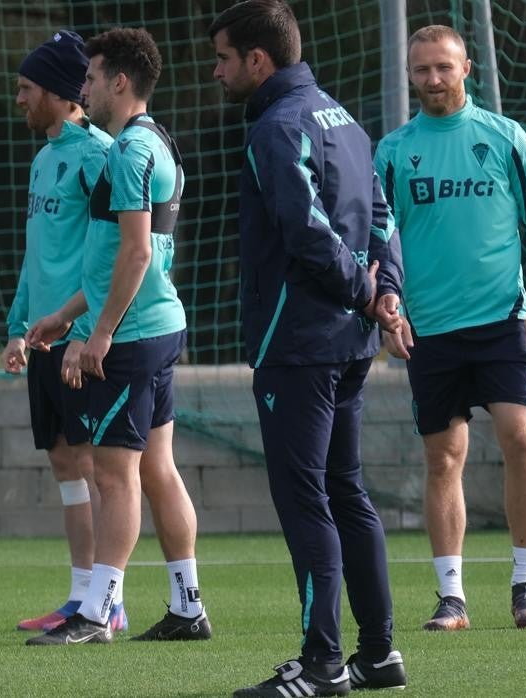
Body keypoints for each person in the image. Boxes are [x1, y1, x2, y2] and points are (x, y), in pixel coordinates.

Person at [208, 1, 407, 694]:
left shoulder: (277, 125)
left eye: (225, 59)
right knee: (346, 491)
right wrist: (387, 298)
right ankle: (379, 654)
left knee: (307, 500)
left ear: (258, 61)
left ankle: (323, 663)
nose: (218, 71)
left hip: (299, 343)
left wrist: (362, 289)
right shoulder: (342, 117)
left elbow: (306, 229)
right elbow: (383, 216)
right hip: (348, 344)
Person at [23, 26, 213, 647]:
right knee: (158, 469)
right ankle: (188, 605)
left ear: (119, 81)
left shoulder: (129, 151)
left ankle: (96, 611)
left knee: (114, 476)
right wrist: (61, 317)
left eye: (93, 76)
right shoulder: (157, 141)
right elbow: (117, 258)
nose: (86, 87)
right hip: (161, 323)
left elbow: (133, 256)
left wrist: (97, 334)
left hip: (131, 334)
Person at [375, 24, 526, 632]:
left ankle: (525, 584)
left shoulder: (505, 139)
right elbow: (379, 240)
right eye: (422, 69)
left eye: (443, 68)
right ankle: (451, 596)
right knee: (443, 457)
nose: (432, 79)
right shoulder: (395, 152)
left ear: (467, 69)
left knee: (520, 439)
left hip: (503, 322)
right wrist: (388, 306)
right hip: (429, 330)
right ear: (410, 74)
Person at [2, 30, 128, 635]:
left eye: (27, 88)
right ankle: (80, 595)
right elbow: (36, 257)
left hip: (80, 339)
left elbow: (114, 255)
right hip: (45, 338)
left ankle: (108, 596)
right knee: (63, 460)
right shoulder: (44, 157)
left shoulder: (99, 156)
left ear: (56, 91)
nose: (19, 99)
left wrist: (84, 328)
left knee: (95, 463)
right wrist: (18, 328)